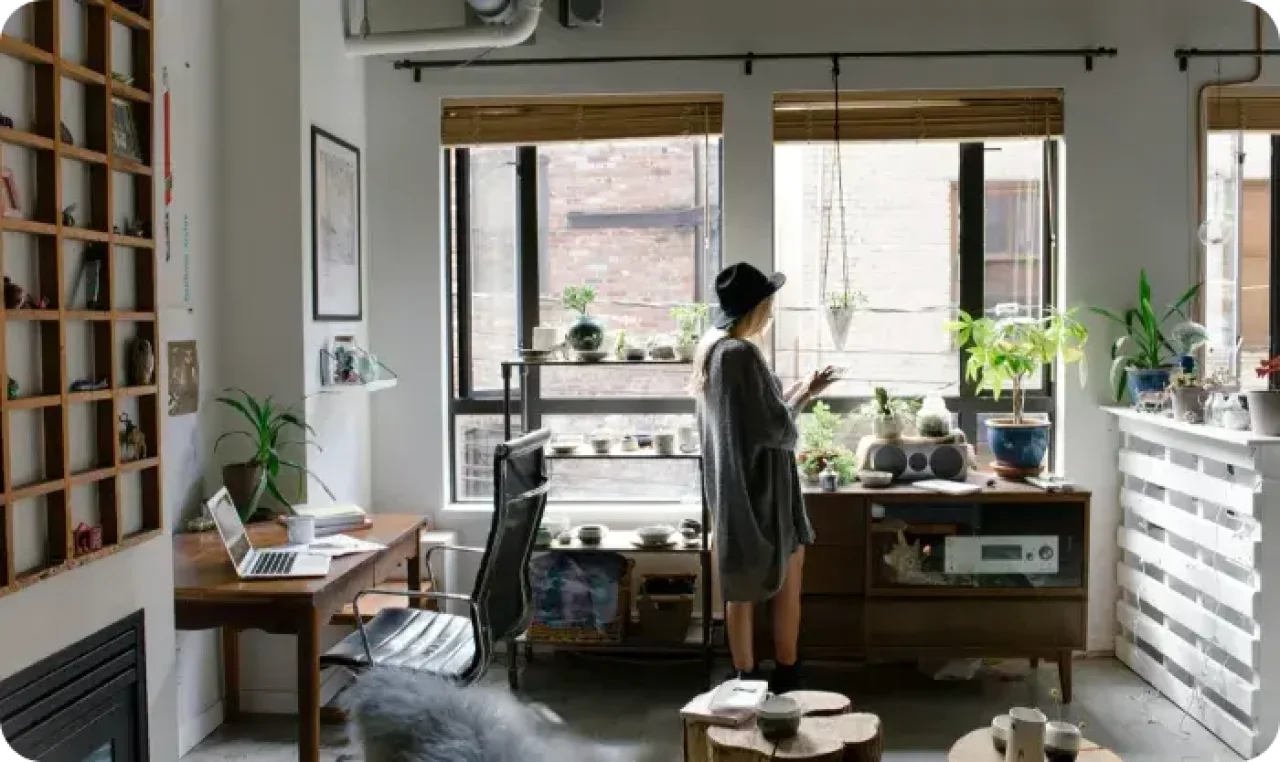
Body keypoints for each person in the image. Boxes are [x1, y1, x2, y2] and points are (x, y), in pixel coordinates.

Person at [690, 262, 837, 693]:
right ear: (756, 307)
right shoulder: (743, 354)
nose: (771, 311)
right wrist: (805, 396)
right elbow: (776, 429)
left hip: (733, 488)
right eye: (768, 304)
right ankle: (787, 673)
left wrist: (799, 390)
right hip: (763, 490)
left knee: (739, 585)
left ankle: (746, 677)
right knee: (788, 577)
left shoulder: (713, 351)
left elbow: (754, 416)